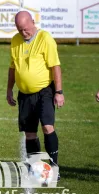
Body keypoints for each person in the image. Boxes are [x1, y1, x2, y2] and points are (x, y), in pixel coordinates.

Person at [6, 11, 63, 171]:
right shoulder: (15, 40)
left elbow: (55, 66)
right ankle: (35, 167)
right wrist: (9, 89)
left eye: (25, 29)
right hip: (24, 94)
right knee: (29, 133)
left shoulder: (45, 38)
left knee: (47, 127)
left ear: (32, 21)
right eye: (19, 30)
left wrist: (59, 92)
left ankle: (54, 166)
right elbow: (12, 67)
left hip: (45, 91)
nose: (23, 33)